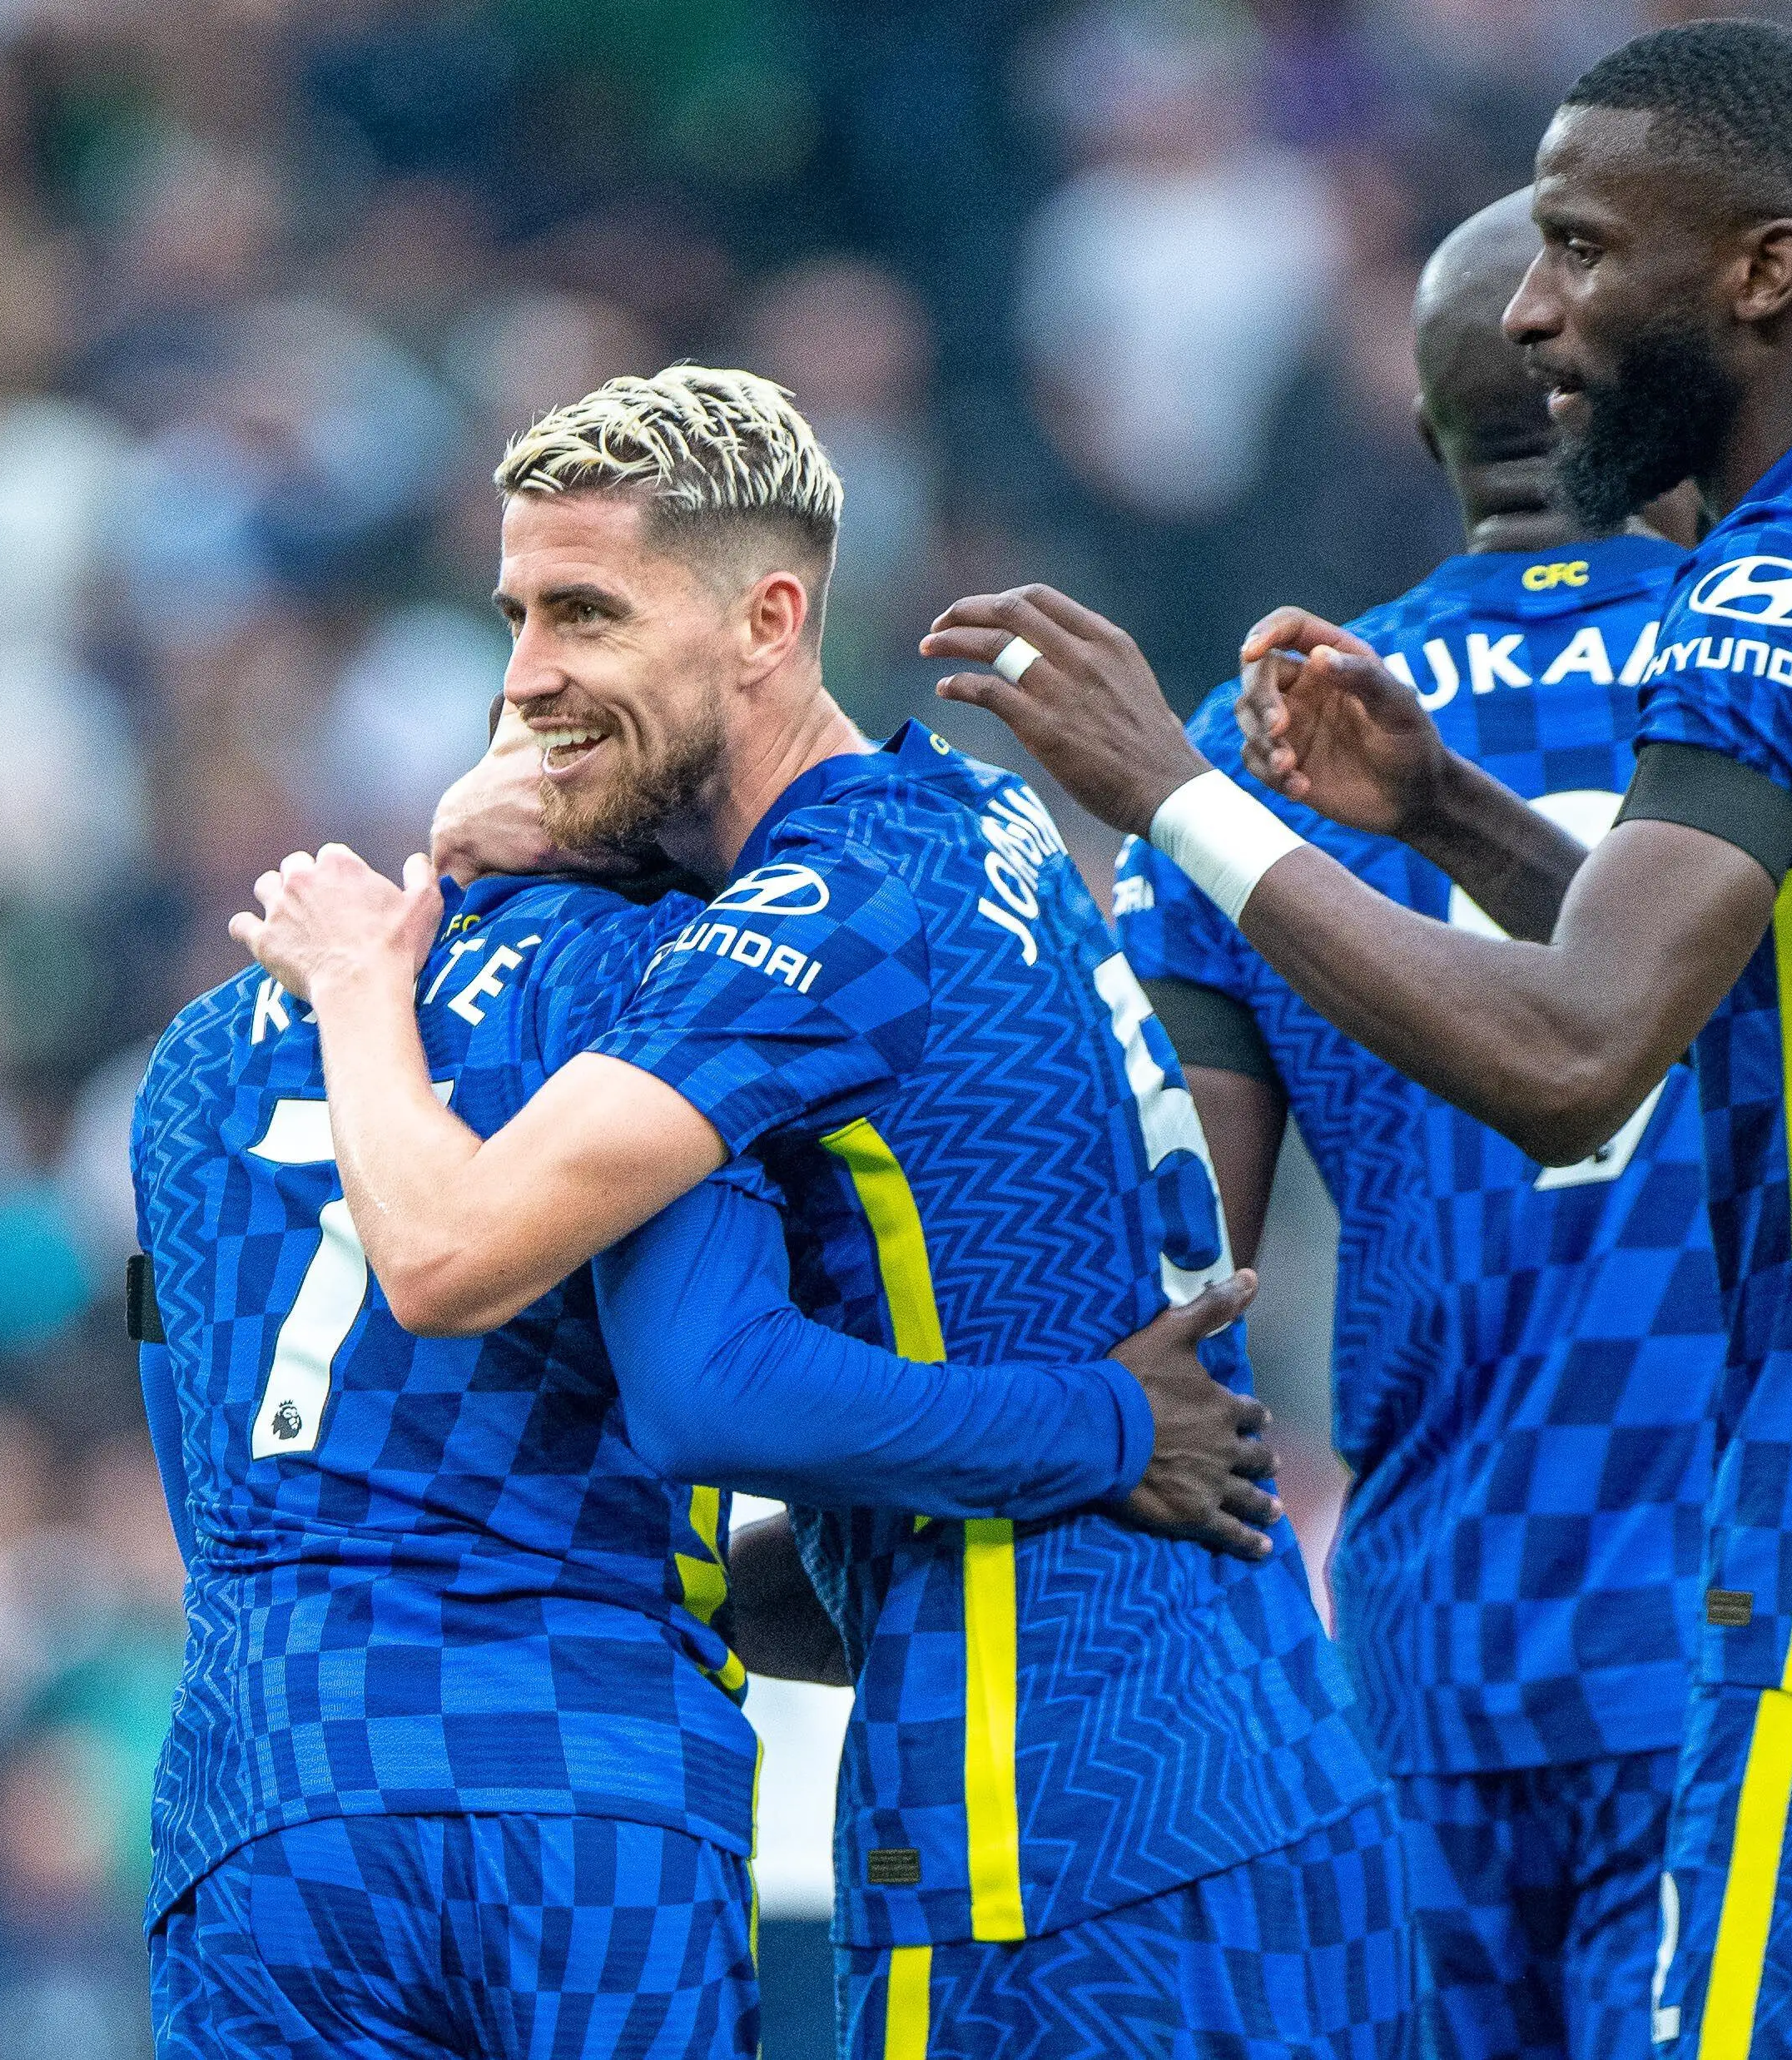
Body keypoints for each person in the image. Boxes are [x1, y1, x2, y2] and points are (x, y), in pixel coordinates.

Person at [926, 22, 1792, 2059]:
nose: (1531, 304)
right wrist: (1446, 820)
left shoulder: (1782, 583)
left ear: (1758, 272)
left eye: (1579, 248)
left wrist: (1173, 797)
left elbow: (1582, 1052)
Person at [234, 367, 1402, 2058]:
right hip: (1262, 1772)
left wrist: (360, 976)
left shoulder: (806, 922)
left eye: (584, 613)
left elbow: (462, 1262)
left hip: (1040, 1846)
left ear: (766, 621)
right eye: (515, 615)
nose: (523, 677)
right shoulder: (973, 817)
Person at [132, 712, 1283, 2060]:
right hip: (588, 1785)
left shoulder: (188, 1063)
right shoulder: (663, 989)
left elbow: (194, 1470)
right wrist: (1100, 1423)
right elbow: (720, 1380)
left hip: (267, 1790)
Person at [1118, 188, 1721, 2060]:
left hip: (1429, 1631)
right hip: (1751, 1616)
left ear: (1422, 430)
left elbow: (1178, 1273)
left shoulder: (1264, 739)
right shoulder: (1775, 674)